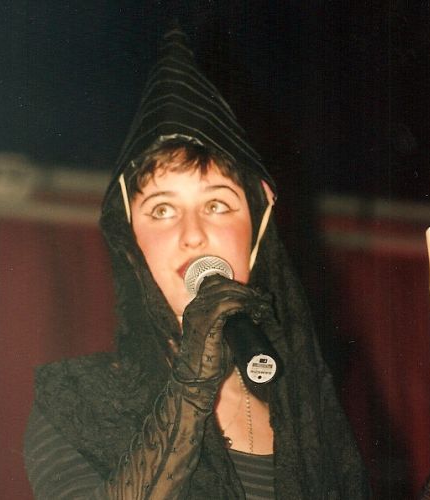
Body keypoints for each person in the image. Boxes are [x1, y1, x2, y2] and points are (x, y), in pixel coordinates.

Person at [24, 26, 370, 499]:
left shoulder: (304, 407)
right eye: (162, 210)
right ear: (132, 244)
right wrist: (193, 383)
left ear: (256, 233)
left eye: (217, 204)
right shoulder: (77, 401)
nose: (193, 233)